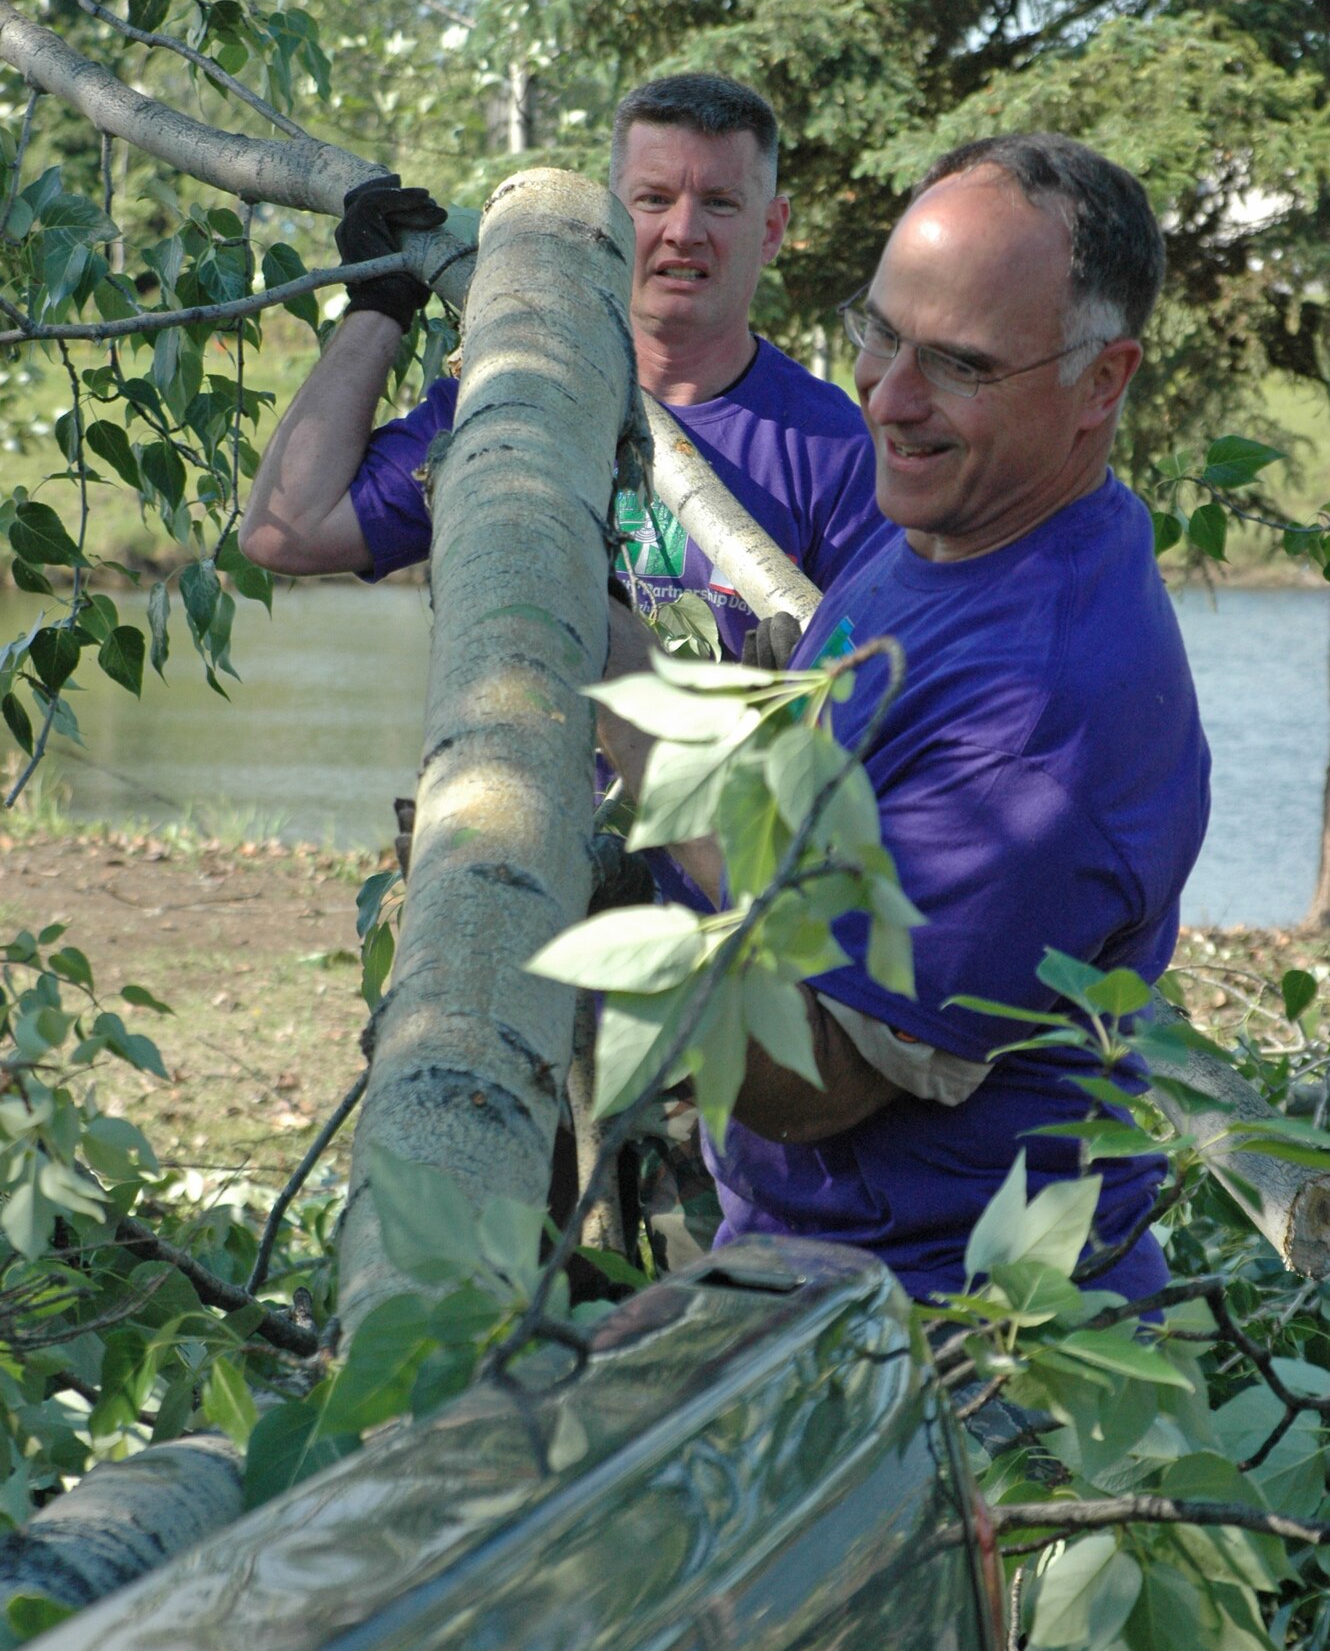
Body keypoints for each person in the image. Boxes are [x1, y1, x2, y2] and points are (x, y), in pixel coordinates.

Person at [596, 132, 1211, 1305]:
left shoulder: (1044, 711)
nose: (887, 395)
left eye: (961, 364)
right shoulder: (945, 525)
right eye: (878, 330)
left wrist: (636, 716)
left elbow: (811, 1072)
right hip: (802, 1265)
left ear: (1102, 380)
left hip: (950, 1347)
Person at [239, 73, 883, 656]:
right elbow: (285, 533)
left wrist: (793, 710)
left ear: (771, 229)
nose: (684, 231)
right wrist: (378, 303)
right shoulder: (514, 397)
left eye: (720, 202)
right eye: (654, 200)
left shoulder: (841, 452)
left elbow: (897, 703)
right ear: (607, 217)